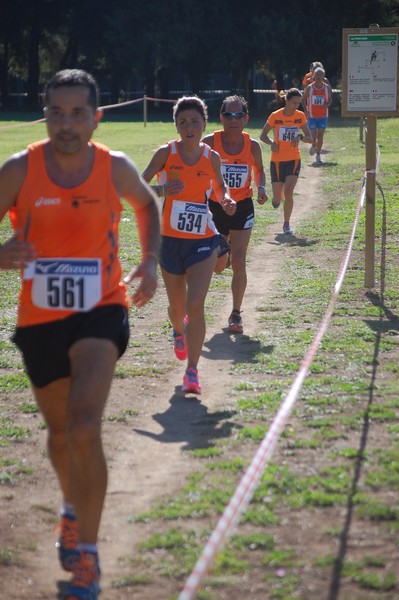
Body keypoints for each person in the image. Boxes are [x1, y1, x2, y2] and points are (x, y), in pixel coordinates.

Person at [0, 69, 160, 599]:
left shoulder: (114, 169)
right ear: (44, 113)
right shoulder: (20, 169)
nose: (66, 125)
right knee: (61, 433)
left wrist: (151, 261)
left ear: (97, 116)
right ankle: (71, 507)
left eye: (77, 113)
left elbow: (147, 205)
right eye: (56, 113)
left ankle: (87, 559)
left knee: (85, 424)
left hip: (102, 309)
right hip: (40, 318)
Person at [141, 95, 236, 394]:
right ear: (177, 126)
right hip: (170, 241)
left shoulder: (211, 157)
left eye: (195, 121)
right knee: (176, 307)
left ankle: (192, 372)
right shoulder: (165, 154)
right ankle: (177, 330)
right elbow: (137, 183)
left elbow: (220, 188)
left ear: (204, 124)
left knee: (195, 305)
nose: (189, 126)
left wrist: (227, 199)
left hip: (202, 240)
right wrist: (161, 188)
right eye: (183, 122)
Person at [202, 95, 268, 334]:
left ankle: (236, 314)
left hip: (242, 207)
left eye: (238, 115)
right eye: (228, 115)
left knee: (239, 260)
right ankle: (195, 308)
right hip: (214, 208)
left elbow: (259, 171)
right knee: (214, 265)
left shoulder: (253, 146)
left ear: (246, 118)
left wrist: (261, 187)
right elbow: (196, 172)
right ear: (221, 118)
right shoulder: (209, 142)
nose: (233, 120)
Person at [260, 88, 313, 236]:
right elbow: (263, 135)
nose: (297, 106)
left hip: (293, 159)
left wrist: (301, 137)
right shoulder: (275, 116)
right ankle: (277, 199)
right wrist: (272, 143)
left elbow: (310, 138)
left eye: (299, 103)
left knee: (289, 192)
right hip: (277, 161)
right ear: (287, 101)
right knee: (278, 198)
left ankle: (286, 224)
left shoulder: (300, 116)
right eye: (294, 102)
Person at [302, 67, 332, 164]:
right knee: (313, 136)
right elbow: (303, 99)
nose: (318, 77)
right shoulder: (310, 87)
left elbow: (330, 100)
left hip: (323, 116)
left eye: (320, 75)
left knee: (321, 135)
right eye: (317, 75)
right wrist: (306, 110)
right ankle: (314, 145)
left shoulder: (327, 88)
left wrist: (327, 104)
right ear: (314, 76)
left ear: (323, 76)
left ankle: (318, 155)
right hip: (312, 116)